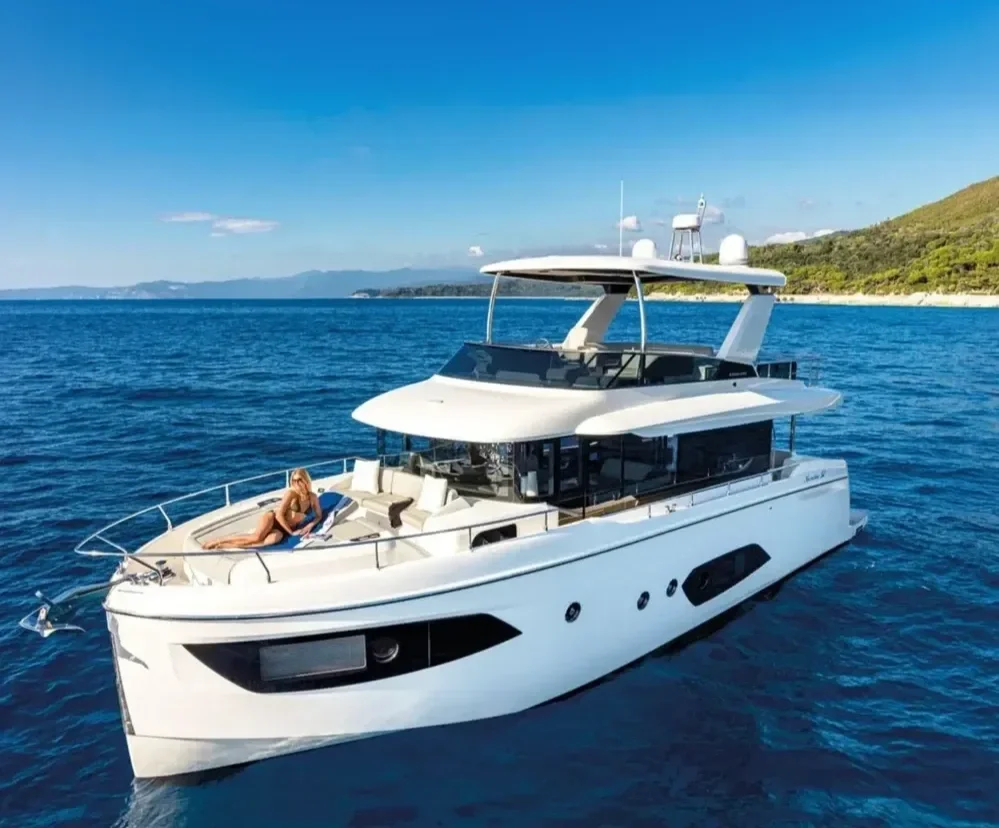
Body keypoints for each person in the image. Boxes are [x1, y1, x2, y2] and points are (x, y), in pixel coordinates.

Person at [202, 467, 322, 550]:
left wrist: (310, 525)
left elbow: (318, 515)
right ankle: (217, 541)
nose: (296, 483)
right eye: (294, 480)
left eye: (299, 480)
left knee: (268, 541)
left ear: (305, 480)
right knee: (256, 537)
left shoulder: (312, 497)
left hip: (284, 530)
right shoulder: (290, 494)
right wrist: (292, 533)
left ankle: (228, 546)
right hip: (273, 519)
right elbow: (279, 515)